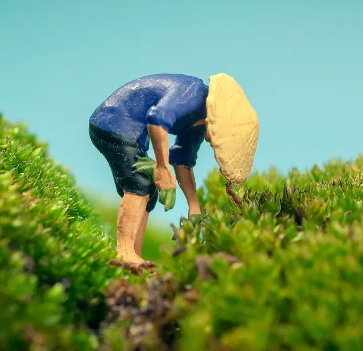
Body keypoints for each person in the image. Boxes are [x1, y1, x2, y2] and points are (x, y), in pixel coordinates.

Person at [89, 72, 259, 265]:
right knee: (140, 183)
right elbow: (157, 119)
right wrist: (162, 168)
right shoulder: (192, 94)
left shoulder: (200, 124)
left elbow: (182, 159)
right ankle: (124, 251)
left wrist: (193, 205)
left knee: (148, 191)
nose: (213, 142)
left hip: (135, 135)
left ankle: (134, 255)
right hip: (113, 123)